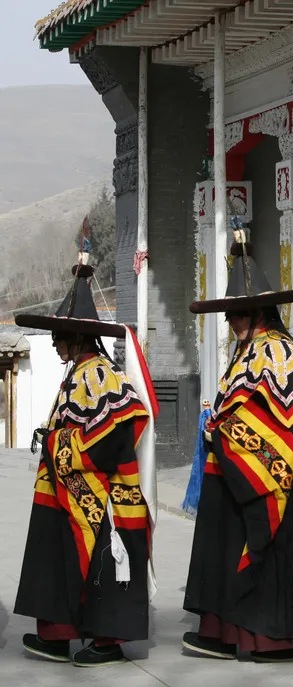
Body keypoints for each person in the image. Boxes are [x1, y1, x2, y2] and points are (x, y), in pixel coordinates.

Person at [182, 229, 293, 662]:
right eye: (229, 314)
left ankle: (278, 640)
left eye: (238, 313)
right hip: (238, 471)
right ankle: (228, 632)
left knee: (270, 556)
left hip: (273, 477)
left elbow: (278, 418)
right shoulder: (249, 351)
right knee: (223, 548)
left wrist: (224, 433)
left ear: (258, 311)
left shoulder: (277, 352)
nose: (232, 321)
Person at [14, 248, 158, 667]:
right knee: (55, 557)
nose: (57, 343)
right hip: (67, 487)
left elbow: (117, 432)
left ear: (78, 337)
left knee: (103, 567)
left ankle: (107, 641)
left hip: (103, 493)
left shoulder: (99, 374)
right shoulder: (77, 372)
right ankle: (58, 636)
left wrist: (58, 444)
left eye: (61, 336)